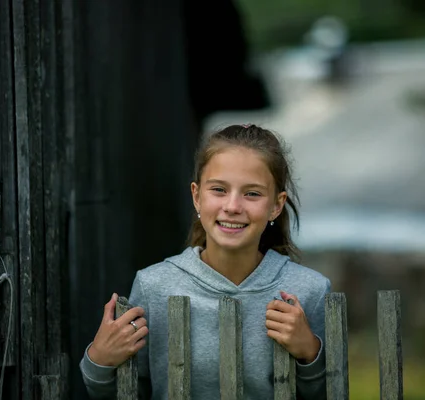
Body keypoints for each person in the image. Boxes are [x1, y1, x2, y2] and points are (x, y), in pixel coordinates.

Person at [79, 124, 331, 399]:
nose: (233, 206)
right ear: (197, 196)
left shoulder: (309, 290)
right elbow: (129, 392)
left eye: (253, 193)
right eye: (219, 189)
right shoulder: (154, 286)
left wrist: (310, 353)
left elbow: (327, 393)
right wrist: (100, 361)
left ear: (276, 205)